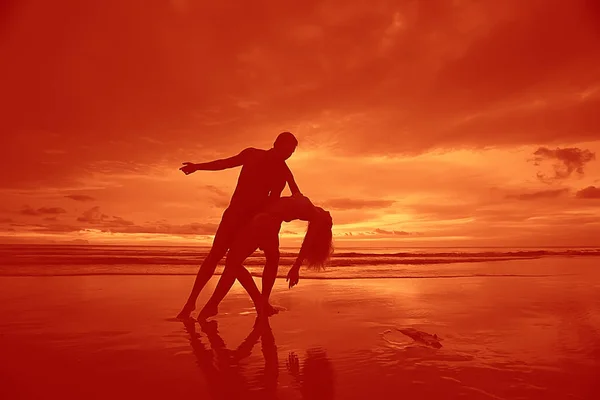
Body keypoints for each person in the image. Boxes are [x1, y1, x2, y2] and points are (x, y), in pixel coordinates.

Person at [177, 132, 303, 320]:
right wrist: (197, 167)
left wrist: (301, 208)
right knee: (214, 256)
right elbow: (224, 163)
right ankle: (191, 303)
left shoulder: (284, 172)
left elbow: (290, 198)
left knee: (240, 262)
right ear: (276, 144)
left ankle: (247, 303)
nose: (289, 155)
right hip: (233, 215)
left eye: (292, 152)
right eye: (288, 150)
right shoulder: (252, 154)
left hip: (252, 223)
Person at [197, 194, 333, 320]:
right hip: (265, 221)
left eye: (330, 223)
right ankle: (260, 303)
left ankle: (259, 303)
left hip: (265, 222)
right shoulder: (313, 210)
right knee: (240, 262)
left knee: (246, 261)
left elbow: (307, 242)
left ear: (323, 226)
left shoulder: (316, 216)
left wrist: (296, 266)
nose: (331, 217)